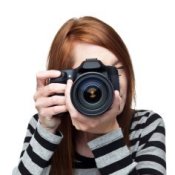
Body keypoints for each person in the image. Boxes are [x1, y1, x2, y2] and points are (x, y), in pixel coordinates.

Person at [12, 16, 166, 175]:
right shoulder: (43, 125)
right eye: (88, 76)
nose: (100, 85)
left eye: (115, 70)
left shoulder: (145, 126)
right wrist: (45, 132)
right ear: (63, 82)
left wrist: (106, 134)